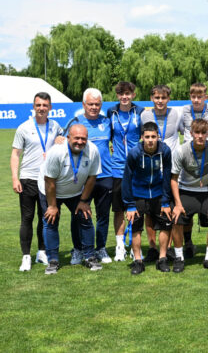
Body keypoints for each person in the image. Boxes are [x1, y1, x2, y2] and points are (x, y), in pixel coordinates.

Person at [39, 124, 102, 274]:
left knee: (85, 218)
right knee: (51, 221)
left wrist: (84, 201)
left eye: (83, 139)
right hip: (51, 190)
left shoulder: (93, 150)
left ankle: (89, 256)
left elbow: (92, 177)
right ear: (68, 137)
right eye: (77, 138)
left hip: (75, 192)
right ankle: (53, 260)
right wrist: (52, 206)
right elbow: (49, 181)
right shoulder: (56, 152)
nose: (80, 142)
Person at [11, 92, 63, 271]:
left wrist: (61, 140)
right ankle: (26, 256)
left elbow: (64, 145)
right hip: (28, 178)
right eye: (38, 105)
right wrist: (15, 178)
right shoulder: (24, 127)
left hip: (48, 180)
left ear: (50, 107)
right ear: (33, 107)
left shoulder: (55, 126)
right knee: (27, 218)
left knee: (46, 217)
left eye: (45, 105)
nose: (41, 108)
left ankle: (42, 252)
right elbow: (15, 154)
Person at [64, 88, 113, 265]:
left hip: (105, 174)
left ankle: (100, 248)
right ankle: (78, 250)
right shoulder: (75, 122)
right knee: (78, 214)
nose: (94, 107)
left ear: (101, 105)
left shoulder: (107, 122)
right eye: (90, 104)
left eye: (97, 104)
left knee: (103, 215)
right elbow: (62, 141)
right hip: (82, 177)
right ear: (84, 104)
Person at [170, 119, 208, 272]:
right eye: (197, 132)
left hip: (207, 191)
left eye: (203, 133)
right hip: (186, 190)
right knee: (177, 218)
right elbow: (174, 179)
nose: (200, 136)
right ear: (191, 133)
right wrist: (178, 204)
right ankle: (179, 258)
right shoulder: (181, 151)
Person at [122, 122, 173, 274]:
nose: (150, 140)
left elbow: (167, 175)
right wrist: (130, 204)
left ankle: (162, 258)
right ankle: (138, 261)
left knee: (165, 225)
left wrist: (166, 201)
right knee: (136, 228)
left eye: (153, 137)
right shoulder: (134, 153)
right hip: (138, 194)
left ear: (158, 137)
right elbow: (127, 179)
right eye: (147, 137)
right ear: (142, 137)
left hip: (158, 193)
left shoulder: (165, 150)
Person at [140, 85, 182, 262]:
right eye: (156, 97)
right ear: (151, 98)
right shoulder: (145, 116)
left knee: (168, 208)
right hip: (151, 168)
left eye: (163, 98)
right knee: (149, 211)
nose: (160, 101)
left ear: (168, 99)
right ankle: (152, 247)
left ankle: (169, 247)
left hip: (170, 169)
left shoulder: (176, 114)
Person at [106, 81, 143, 262]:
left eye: (128, 93)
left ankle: (136, 247)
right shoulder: (111, 112)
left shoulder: (140, 112)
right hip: (117, 168)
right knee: (119, 209)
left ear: (133, 95)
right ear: (117, 96)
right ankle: (120, 246)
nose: (124, 97)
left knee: (137, 208)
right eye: (121, 94)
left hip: (137, 168)